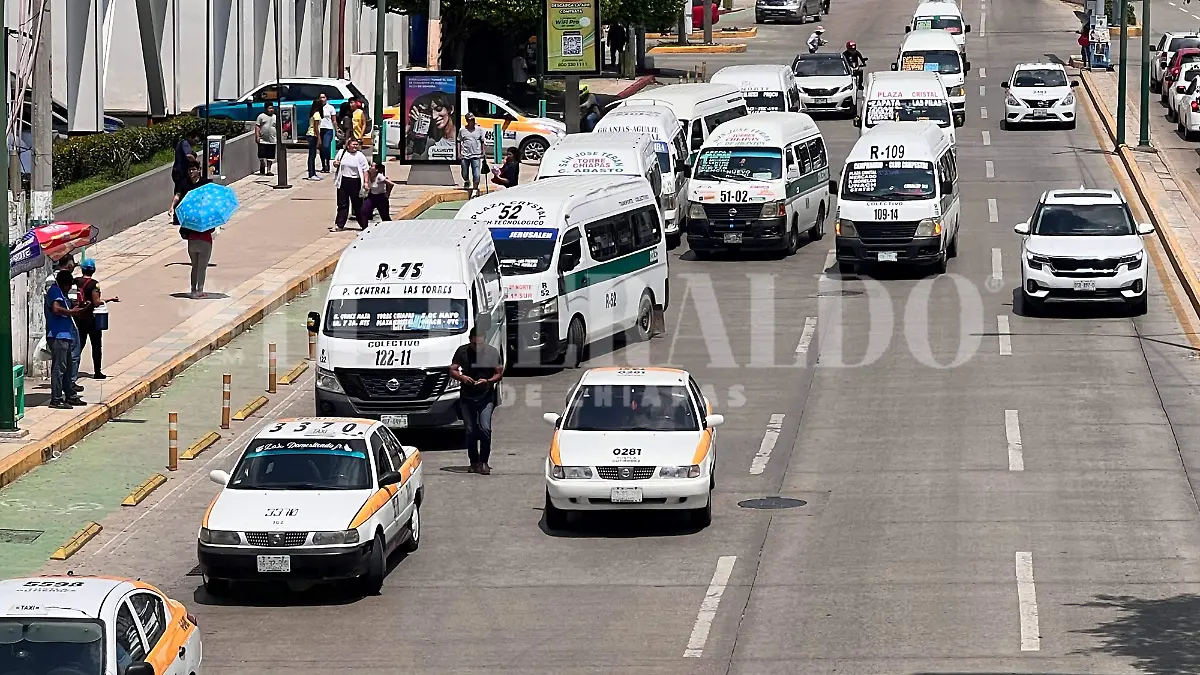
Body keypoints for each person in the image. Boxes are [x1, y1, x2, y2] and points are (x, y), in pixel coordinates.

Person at [450, 326, 504, 475]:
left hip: (486, 397)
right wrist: (462, 377)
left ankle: (484, 461)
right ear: (470, 341)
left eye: (480, 344)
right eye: (474, 344)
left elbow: (499, 373)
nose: (477, 347)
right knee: (470, 430)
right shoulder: (462, 351)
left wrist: (487, 381)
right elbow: (453, 369)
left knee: (485, 428)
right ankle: (474, 461)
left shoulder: (492, 352)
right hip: (467, 397)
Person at [46, 270, 89, 409]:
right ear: (65, 284)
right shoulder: (54, 291)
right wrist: (71, 312)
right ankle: (56, 399)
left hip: (67, 335)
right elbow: (56, 309)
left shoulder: (62, 294)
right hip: (58, 336)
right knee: (59, 368)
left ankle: (70, 395)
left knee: (69, 368)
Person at [74, 259, 118, 380]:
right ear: (93, 270)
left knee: (78, 346)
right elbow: (96, 302)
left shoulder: (76, 281)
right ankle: (97, 372)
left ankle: (72, 372)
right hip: (91, 318)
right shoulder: (94, 284)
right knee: (96, 346)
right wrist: (109, 300)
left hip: (78, 317)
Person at [333, 137, 370, 230]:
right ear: (348, 145)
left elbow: (365, 169)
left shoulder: (360, 155)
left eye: (356, 145)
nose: (355, 146)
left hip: (355, 181)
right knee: (342, 204)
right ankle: (339, 225)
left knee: (358, 205)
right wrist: (336, 164)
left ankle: (364, 225)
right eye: (353, 144)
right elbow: (335, 163)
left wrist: (366, 182)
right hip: (343, 181)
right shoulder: (342, 152)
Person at [458, 113, 486, 195]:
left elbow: (482, 141)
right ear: (467, 121)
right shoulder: (462, 130)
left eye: (473, 120)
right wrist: (459, 153)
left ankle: (475, 189)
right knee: (464, 172)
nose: (472, 122)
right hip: (465, 155)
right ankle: (467, 181)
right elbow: (459, 141)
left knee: (476, 174)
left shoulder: (479, 130)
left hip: (476, 155)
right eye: (470, 120)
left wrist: (483, 153)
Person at [171, 131, 201, 196]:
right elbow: (188, 156)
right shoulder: (185, 143)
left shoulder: (181, 143)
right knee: (180, 192)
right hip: (181, 172)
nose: (195, 143)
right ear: (190, 137)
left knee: (181, 190)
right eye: (195, 141)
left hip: (179, 172)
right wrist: (196, 163)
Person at [255, 102, 278, 176]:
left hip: (272, 140)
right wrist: (257, 136)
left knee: (270, 156)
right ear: (266, 109)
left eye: (272, 108)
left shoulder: (275, 117)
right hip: (262, 140)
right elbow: (257, 126)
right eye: (269, 108)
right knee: (261, 154)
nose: (271, 110)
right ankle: (262, 164)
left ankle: (269, 170)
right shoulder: (261, 116)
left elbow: (278, 127)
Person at [319, 93, 337, 173]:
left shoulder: (330, 108)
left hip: (328, 129)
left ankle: (327, 163)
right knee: (321, 148)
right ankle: (324, 165)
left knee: (326, 146)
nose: (322, 99)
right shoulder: (317, 108)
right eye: (320, 97)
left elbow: (334, 120)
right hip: (319, 129)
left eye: (323, 97)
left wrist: (336, 129)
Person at [306, 99, 323, 180]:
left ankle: (313, 173)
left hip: (310, 134)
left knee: (313, 155)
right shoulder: (316, 114)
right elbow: (316, 128)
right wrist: (319, 138)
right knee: (312, 155)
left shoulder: (313, 113)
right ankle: (311, 174)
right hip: (313, 135)